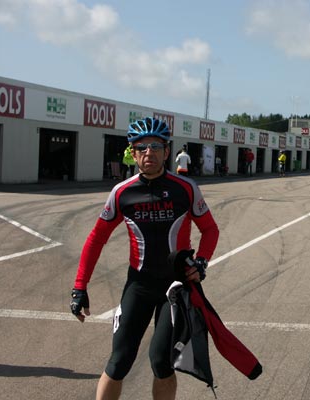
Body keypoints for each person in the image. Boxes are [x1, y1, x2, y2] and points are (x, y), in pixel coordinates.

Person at [69, 117, 220, 400]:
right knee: (118, 362)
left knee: (161, 362)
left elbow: (209, 229)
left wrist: (201, 262)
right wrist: (80, 286)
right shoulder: (122, 192)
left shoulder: (185, 188)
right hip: (138, 284)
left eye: (155, 146)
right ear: (133, 152)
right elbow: (96, 239)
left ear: (166, 151)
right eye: (141, 147)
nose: (148, 152)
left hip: (174, 288)